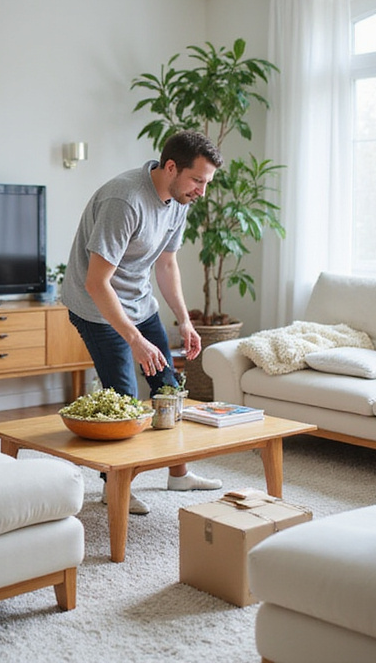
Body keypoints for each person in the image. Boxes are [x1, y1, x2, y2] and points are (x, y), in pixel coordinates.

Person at [60, 130, 223, 515]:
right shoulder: (126, 200)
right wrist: (133, 339)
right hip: (96, 306)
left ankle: (178, 474)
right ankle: (114, 487)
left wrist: (184, 320)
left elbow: (166, 263)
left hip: (138, 301)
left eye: (206, 182)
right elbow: (96, 282)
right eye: (197, 180)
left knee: (167, 387)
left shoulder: (180, 199)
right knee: (123, 398)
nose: (202, 190)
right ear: (171, 167)